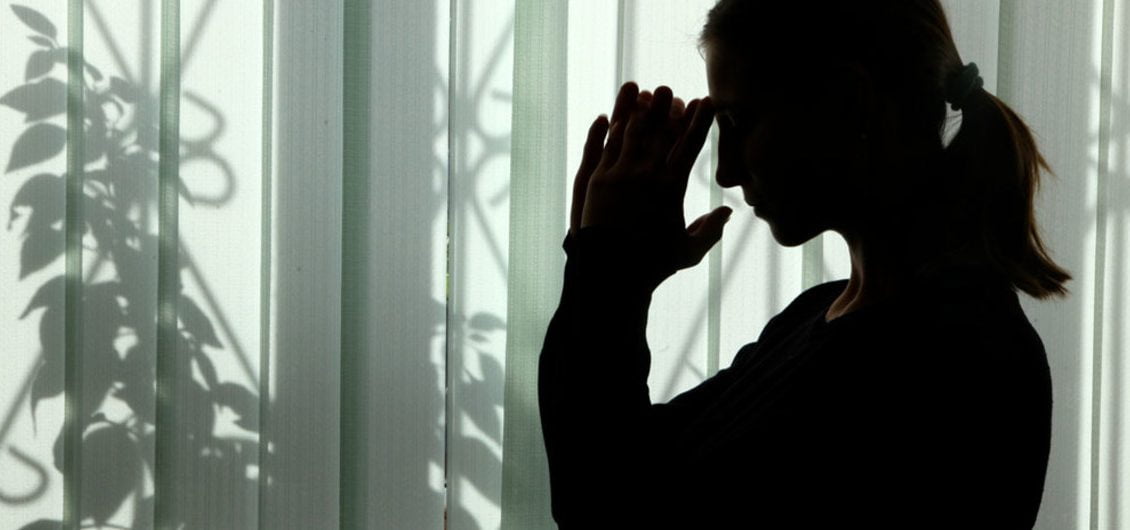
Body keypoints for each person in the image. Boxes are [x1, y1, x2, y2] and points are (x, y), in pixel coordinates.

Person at [538, 0, 1071, 528]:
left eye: (739, 121)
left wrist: (607, 274)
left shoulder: (944, 363)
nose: (724, 171)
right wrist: (610, 271)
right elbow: (629, 475)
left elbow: (605, 504)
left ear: (849, 105)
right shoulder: (821, 317)